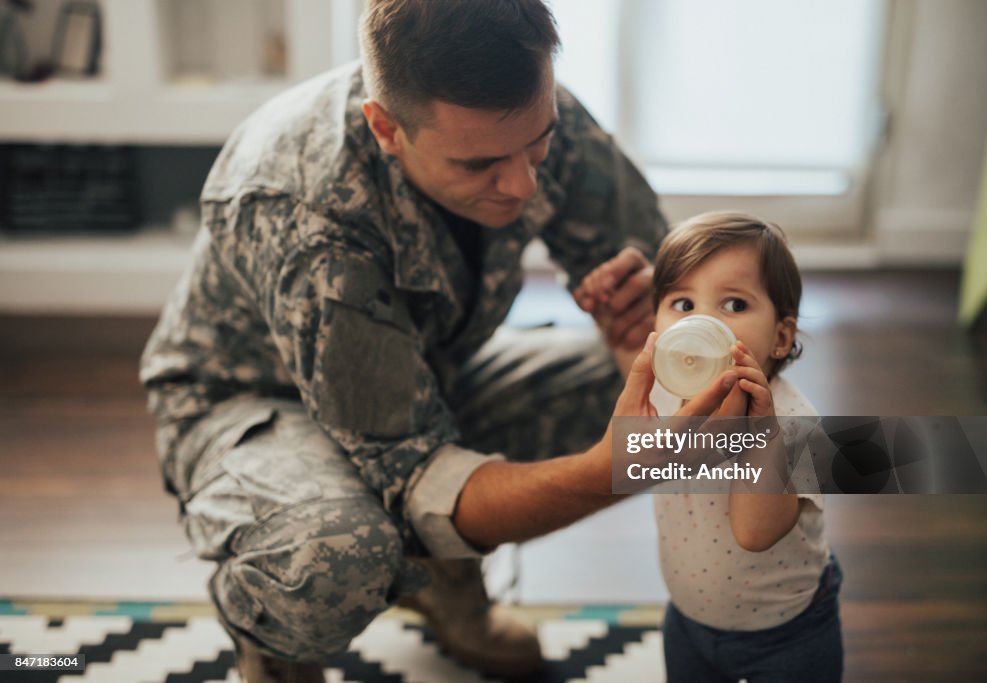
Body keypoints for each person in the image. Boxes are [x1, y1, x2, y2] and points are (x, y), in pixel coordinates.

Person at [139, 1, 738, 680]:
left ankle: (442, 582)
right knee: (338, 553)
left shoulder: (521, 112)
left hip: (425, 376)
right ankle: (276, 636)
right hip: (252, 405)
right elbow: (418, 475)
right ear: (387, 128)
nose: (522, 182)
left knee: (704, 386)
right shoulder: (307, 212)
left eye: (536, 142)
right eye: (480, 165)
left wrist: (655, 330)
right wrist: (616, 467)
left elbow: (667, 279)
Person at [609, 211, 844, 682]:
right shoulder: (666, 394)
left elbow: (755, 533)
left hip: (787, 632)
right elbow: (631, 457)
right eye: (682, 303)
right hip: (689, 617)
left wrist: (759, 433)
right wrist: (611, 330)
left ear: (780, 337)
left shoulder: (795, 425)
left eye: (734, 305)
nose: (702, 322)